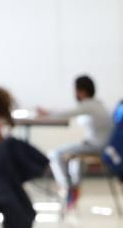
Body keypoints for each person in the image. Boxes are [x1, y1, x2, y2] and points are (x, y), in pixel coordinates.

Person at [41, 74, 112, 211]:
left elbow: (67, 113)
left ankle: (68, 188)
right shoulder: (97, 104)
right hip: (98, 144)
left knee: (55, 154)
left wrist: (47, 113)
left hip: (95, 146)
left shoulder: (88, 105)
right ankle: (74, 188)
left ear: (81, 91)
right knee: (76, 159)